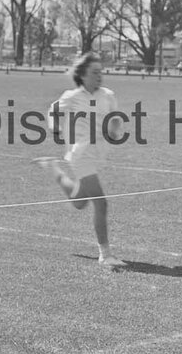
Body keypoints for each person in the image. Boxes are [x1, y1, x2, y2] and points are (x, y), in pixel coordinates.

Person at [34, 52, 124, 267]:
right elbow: (53, 111)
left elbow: (115, 122)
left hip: (97, 154)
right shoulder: (72, 96)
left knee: (79, 202)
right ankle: (105, 254)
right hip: (80, 154)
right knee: (101, 203)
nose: (99, 76)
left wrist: (114, 130)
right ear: (82, 76)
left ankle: (53, 169)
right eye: (94, 73)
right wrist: (55, 128)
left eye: (100, 72)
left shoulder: (108, 95)